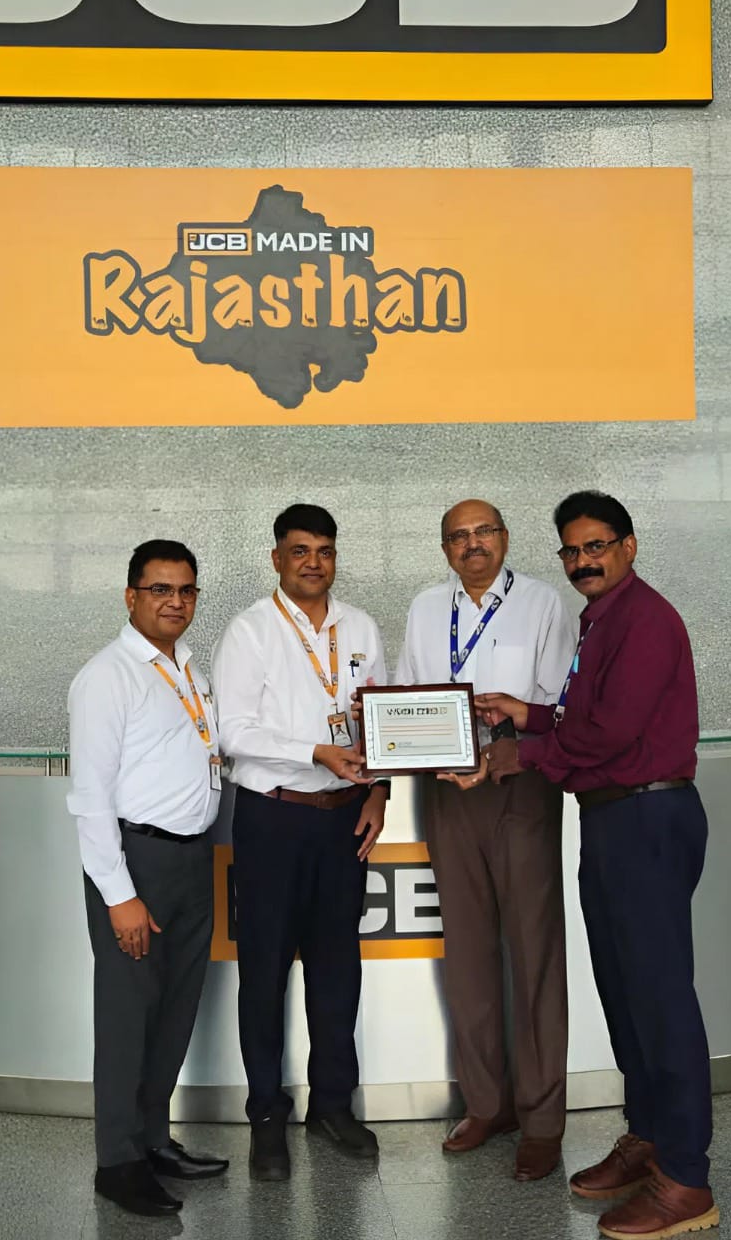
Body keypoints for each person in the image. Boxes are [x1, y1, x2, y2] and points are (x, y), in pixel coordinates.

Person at [474, 491, 718, 1240]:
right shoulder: (600, 619)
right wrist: (527, 712)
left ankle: (687, 1178)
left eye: (596, 546)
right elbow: (584, 717)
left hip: (648, 817)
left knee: (661, 999)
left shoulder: (646, 619)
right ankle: (649, 1137)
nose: (583, 561)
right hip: (611, 818)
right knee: (624, 990)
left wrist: (519, 755)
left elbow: (611, 732)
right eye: (572, 551)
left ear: (628, 546)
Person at [397, 499, 576, 1181]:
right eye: (458, 536)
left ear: (504, 538)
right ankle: (487, 1105)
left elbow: (557, 707)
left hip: (518, 785)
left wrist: (500, 748)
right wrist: (399, 734)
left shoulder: (543, 603)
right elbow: (410, 696)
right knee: (468, 953)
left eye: (483, 532)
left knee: (533, 954)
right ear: (445, 548)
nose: (472, 544)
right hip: (447, 789)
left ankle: (542, 1122)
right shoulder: (424, 608)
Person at [212, 503, 390, 1181]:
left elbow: (381, 722)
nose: (313, 562)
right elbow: (233, 732)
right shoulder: (251, 630)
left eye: (324, 550)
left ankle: (333, 1106)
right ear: (277, 558)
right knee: (263, 970)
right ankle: (266, 1115)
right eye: (300, 550)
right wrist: (315, 750)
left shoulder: (362, 627)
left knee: (337, 967)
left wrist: (379, 790)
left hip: (344, 818)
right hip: (274, 818)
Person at [66, 540, 230, 1218]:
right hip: (138, 864)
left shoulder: (188, 667)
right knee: (128, 1015)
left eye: (186, 590)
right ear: (131, 596)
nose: (175, 601)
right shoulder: (108, 676)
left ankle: (154, 1139)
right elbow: (89, 797)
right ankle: (118, 1161)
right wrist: (120, 895)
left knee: (174, 1010)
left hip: (192, 859)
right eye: (161, 589)